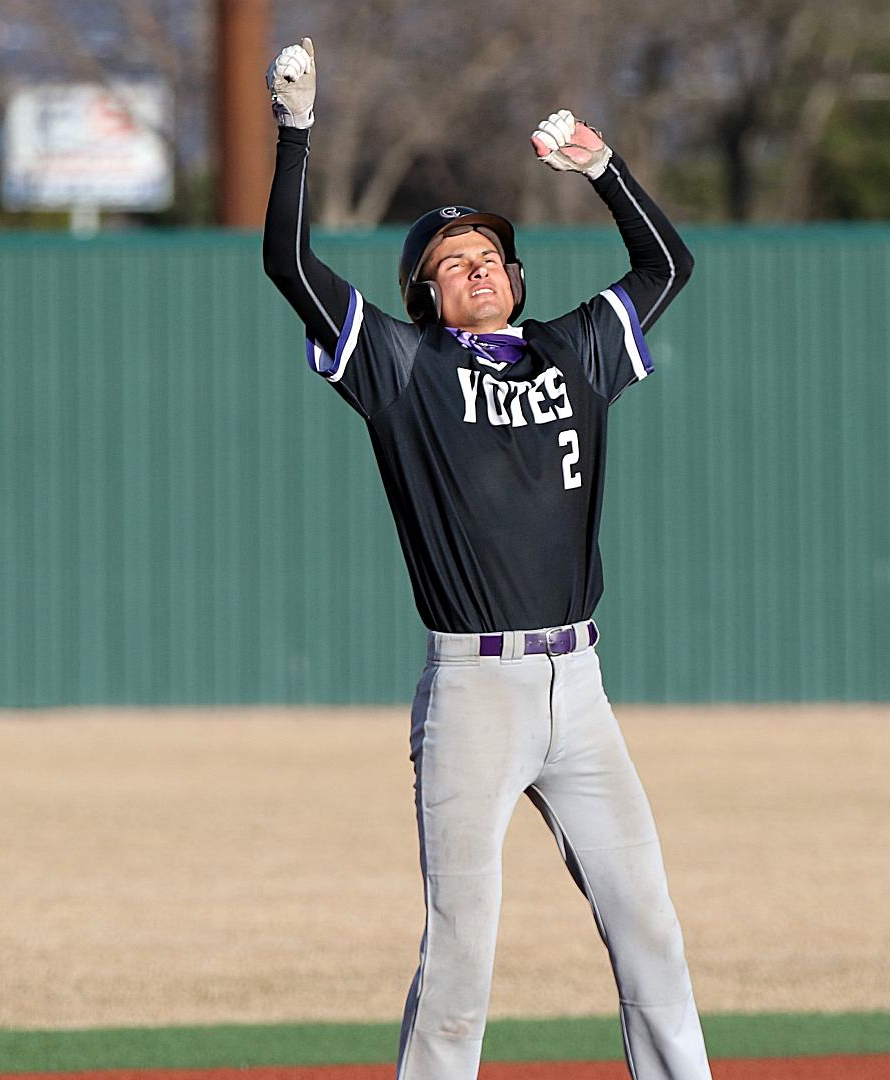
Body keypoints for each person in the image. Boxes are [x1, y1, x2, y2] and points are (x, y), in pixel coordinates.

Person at [261, 38, 708, 1080]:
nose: (477, 268)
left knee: (651, 932)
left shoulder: (575, 349)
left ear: (516, 275)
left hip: (581, 687)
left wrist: (605, 171)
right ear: (424, 294)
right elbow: (289, 264)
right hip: (475, 689)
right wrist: (295, 135)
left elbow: (669, 265)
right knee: (462, 959)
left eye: (490, 255)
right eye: (452, 262)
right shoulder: (400, 367)